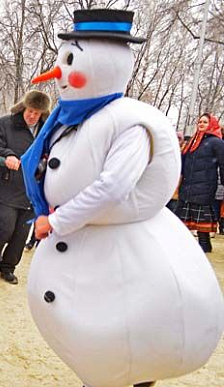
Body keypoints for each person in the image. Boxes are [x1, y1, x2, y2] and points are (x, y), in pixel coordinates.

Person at [22, 9, 223, 387]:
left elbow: (112, 187)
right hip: (88, 246)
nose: (58, 73)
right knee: (99, 341)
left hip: (127, 252)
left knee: (127, 334)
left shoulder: (129, 123)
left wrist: (58, 220)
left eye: (70, 61)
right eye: (60, 60)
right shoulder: (72, 118)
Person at [0, 90, 50, 284]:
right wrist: (8, 155)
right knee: (4, 228)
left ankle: (8, 267)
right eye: (30, 110)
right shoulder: (6, 123)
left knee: (20, 234)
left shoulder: (46, 130)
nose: (32, 115)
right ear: (23, 107)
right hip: (8, 185)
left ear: (42, 113)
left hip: (32, 190)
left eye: (37, 112)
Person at [174, 113, 224, 252]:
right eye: (200, 122)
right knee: (181, 217)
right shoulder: (192, 142)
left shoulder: (216, 142)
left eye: (205, 122)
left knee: (202, 219)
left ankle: (205, 245)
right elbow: (184, 162)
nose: (201, 124)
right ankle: (179, 245)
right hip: (188, 185)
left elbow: (223, 163)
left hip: (205, 185)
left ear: (211, 124)